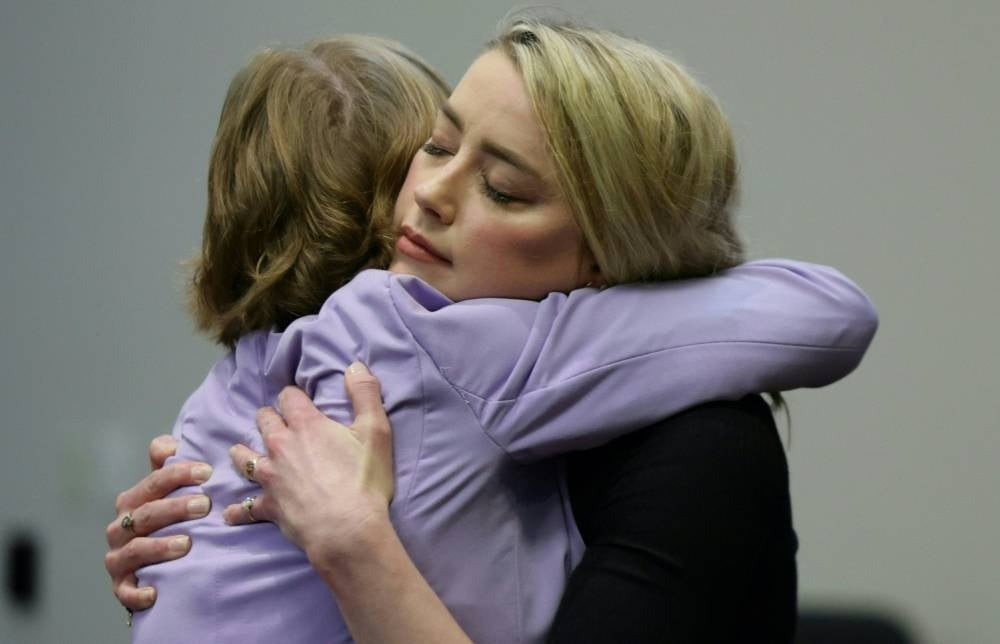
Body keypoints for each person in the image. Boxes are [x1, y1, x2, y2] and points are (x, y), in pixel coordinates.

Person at [107, 18, 876, 643]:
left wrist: (349, 545)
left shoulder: (701, 447)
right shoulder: (372, 333)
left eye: (504, 190)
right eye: (437, 146)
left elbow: (835, 313)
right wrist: (173, 547)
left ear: (609, 259)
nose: (432, 192)